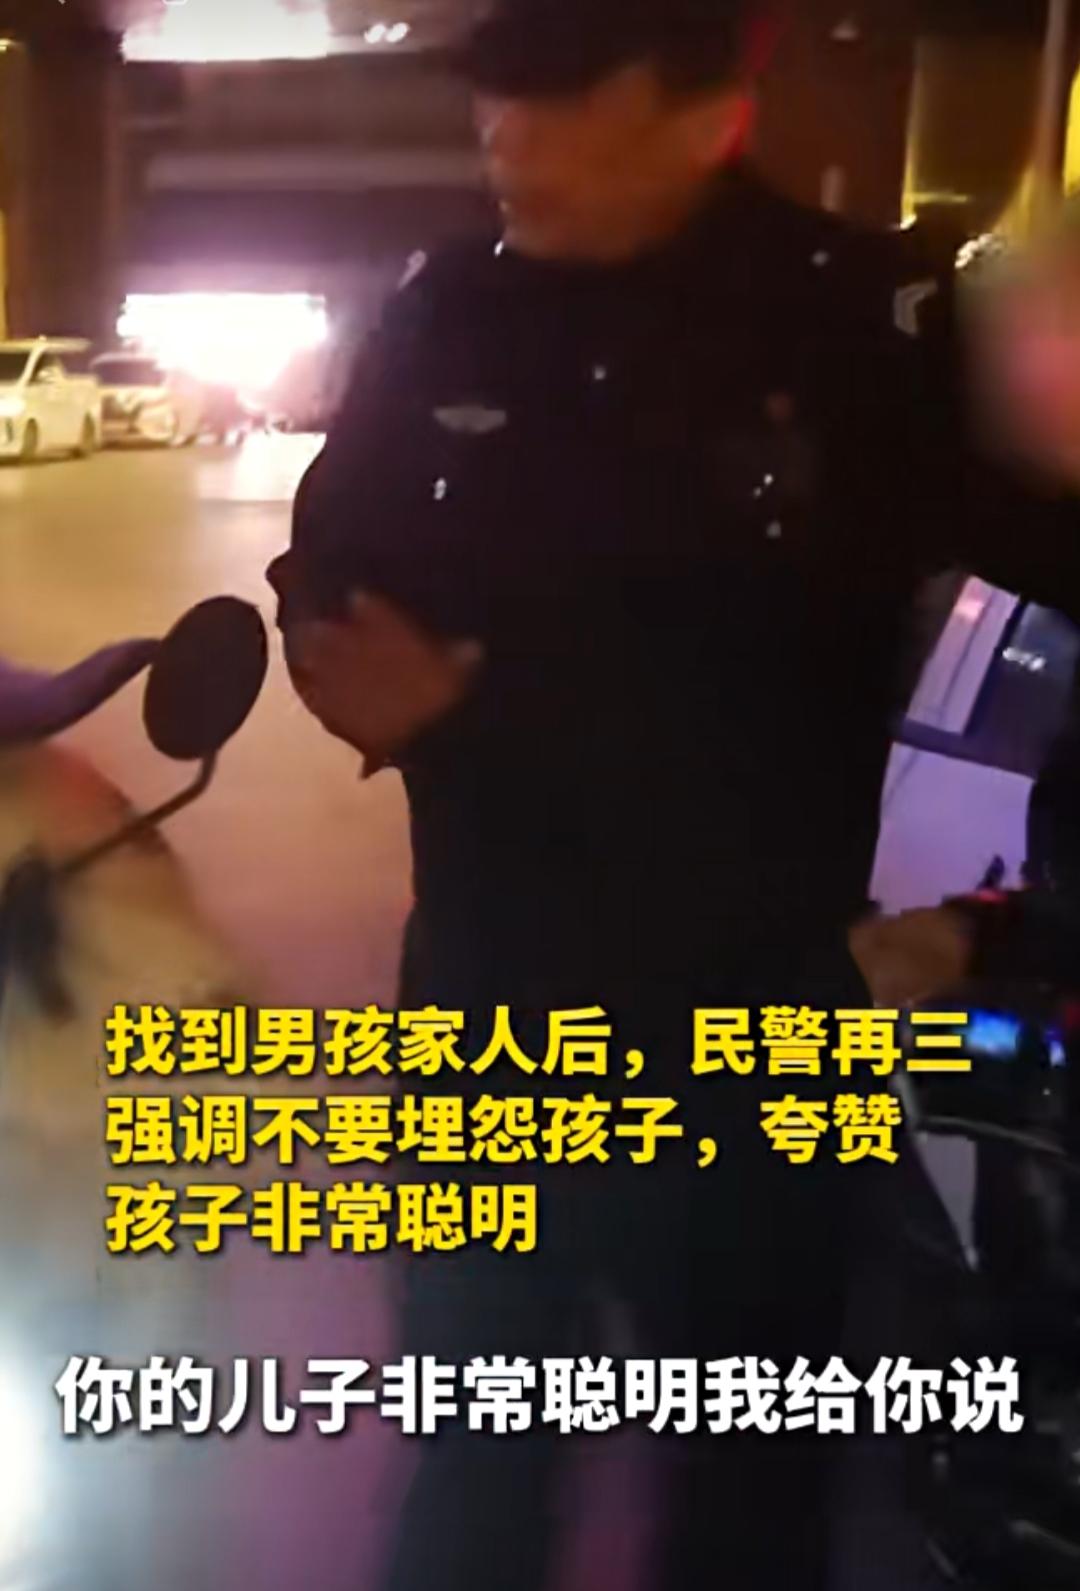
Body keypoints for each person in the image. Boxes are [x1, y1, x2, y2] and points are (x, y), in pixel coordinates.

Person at [267, 2, 1080, 1586]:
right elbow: (330, 546)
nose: (507, 137)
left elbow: (1051, 570)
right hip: (489, 999)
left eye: (564, 99)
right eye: (495, 98)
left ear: (708, 116)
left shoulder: (867, 327)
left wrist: (999, 916)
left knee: (747, 1469)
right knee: (474, 1440)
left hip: (759, 1004)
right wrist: (334, 664)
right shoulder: (450, 309)